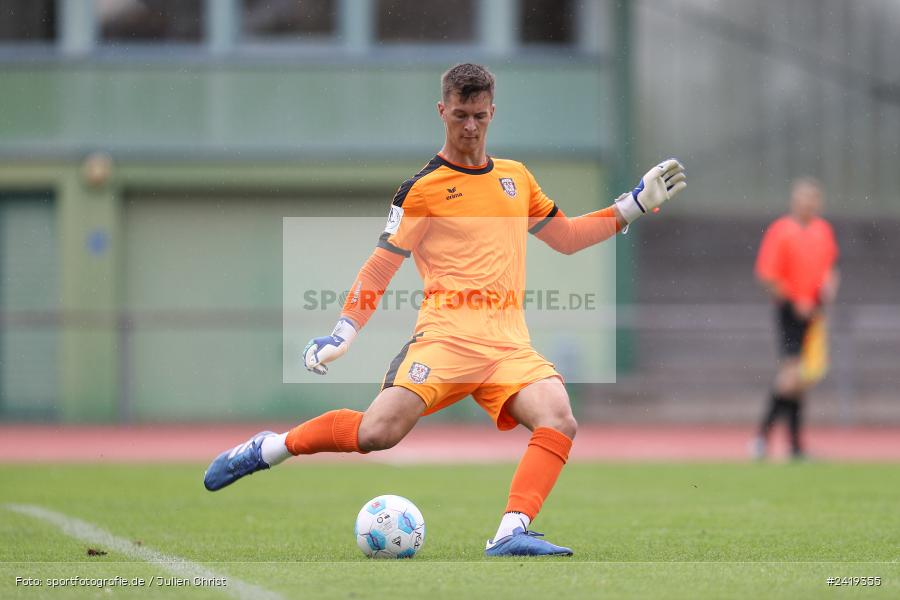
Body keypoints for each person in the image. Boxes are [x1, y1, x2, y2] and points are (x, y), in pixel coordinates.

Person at [204, 63, 686, 556]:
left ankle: (510, 531)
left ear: (493, 112)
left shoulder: (515, 179)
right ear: (442, 111)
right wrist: (343, 331)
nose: (470, 126)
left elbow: (566, 238)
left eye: (479, 115)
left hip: (507, 348)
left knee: (559, 417)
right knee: (376, 433)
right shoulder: (422, 189)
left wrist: (634, 205)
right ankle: (270, 448)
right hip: (444, 342)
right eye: (460, 115)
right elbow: (380, 266)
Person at [752, 177, 839, 460]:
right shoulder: (781, 230)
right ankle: (761, 438)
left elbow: (831, 268)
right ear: (794, 201)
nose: (808, 204)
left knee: (802, 380)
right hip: (790, 311)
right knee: (790, 377)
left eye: (813, 199)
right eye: (803, 198)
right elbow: (766, 275)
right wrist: (794, 299)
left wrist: (830, 285)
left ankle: (795, 446)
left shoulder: (823, 231)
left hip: (814, 312)